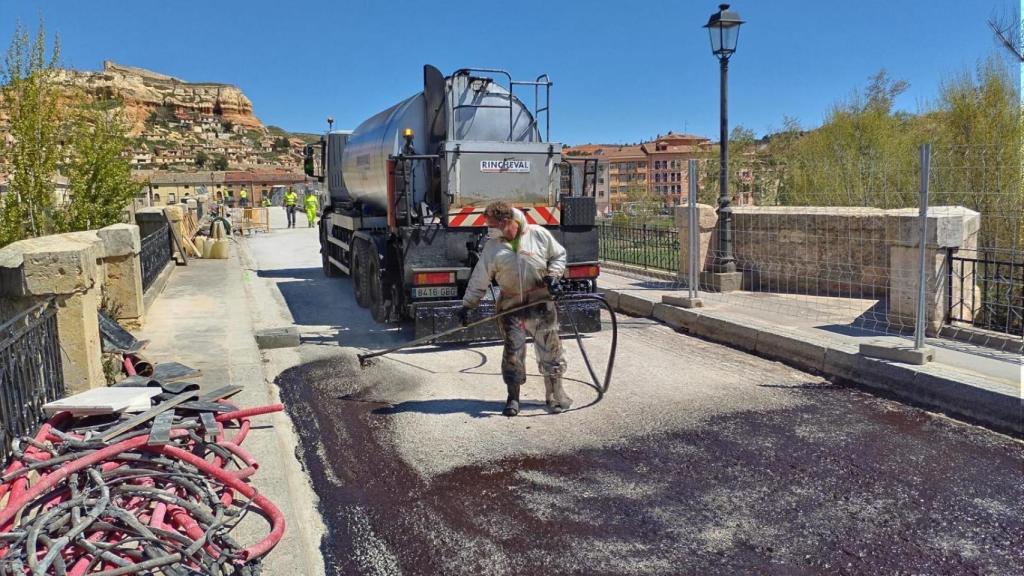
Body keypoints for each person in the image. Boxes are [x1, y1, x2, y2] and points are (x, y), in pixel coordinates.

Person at [459, 200, 570, 417]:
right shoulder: (493, 247)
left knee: (551, 350)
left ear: (507, 221)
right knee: (513, 353)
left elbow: (559, 255)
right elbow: (480, 278)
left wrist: (554, 276)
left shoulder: (538, 235)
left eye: (492, 225)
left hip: (541, 304)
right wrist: (467, 306)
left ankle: (555, 394)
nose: (489, 229)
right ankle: (513, 397)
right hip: (511, 308)